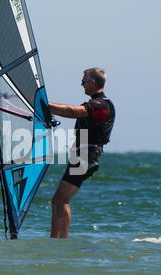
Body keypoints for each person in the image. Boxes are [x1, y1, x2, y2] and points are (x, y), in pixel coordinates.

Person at [48, 68, 116, 238]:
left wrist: (43, 105)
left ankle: (60, 241)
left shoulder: (101, 104)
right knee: (59, 201)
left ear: (93, 82)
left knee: (60, 200)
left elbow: (72, 111)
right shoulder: (97, 103)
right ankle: (57, 240)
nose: (81, 84)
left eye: (84, 80)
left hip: (86, 157)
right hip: (83, 157)